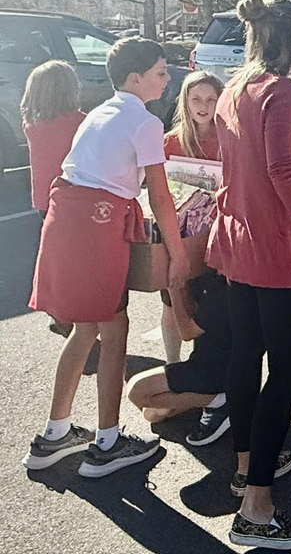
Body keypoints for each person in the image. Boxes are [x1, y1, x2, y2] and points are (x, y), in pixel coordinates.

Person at [22, 37, 192, 478]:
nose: (167, 77)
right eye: (159, 71)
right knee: (114, 328)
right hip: (97, 226)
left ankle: (55, 434)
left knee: (85, 330)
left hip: (64, 219)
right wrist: (179, 256)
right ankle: (108, 442)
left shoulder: (99, 111)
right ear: (135, 77)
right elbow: (160, 195)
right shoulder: (145, 121)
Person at [206, 0, 291, 549]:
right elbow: (281, 164)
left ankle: (247, 464)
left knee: (245, 353)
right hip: (277, 246)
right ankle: (257, 505)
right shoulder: (283, 89)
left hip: (238, 242)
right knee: (288, 365)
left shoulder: (235, 88)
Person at [160, 71, 224, 364]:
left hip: (215, 238)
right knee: (171, 302)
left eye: (211, 99)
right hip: (178, 236)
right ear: (184, 101)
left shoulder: (228, 140)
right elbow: (158, 190)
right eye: (196, 98)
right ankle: (173, 363)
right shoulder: (170, 142)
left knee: (206, 304)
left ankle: (204, 368)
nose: (203, 105)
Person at [127, 269, 231, 447]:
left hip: (215, 371)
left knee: (136, 391)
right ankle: (214, 399)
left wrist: (173, 291)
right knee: (152, 414)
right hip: (212, 363)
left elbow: (187, 332)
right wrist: (182, 288)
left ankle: (219, 401)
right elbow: (193, 313)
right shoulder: (213, 280)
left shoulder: (220, 291)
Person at [20, 60, 86, 337]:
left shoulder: (32, 124)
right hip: (71, 199)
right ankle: (76, 315)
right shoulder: (79, 122)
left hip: (42, 199)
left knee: (51, 258)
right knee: (76, 260)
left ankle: (57, 312)